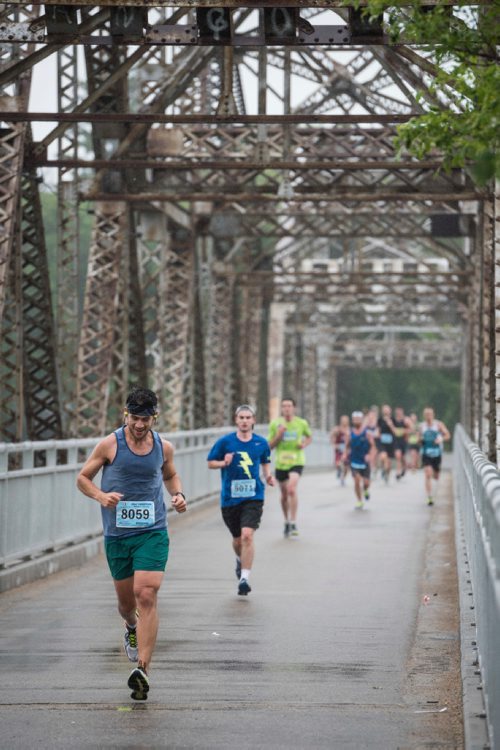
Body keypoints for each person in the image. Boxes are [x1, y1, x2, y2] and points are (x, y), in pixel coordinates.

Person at [76, 386, 187, 701]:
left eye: (145, 418)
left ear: (155, 417)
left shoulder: (163, 447)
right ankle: (130, 628)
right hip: (117, 535)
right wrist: (100, 495)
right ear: (126, 415)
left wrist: (178, 494)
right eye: (134, 418)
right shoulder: (110, 444)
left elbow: (170, 474)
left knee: (146, 594)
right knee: (127, 605)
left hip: (152, 531)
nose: (139, 425)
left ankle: (143, 670)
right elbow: (83, 477)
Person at [207, 404, 274, 596]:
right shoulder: (225, 442)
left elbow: (265, 462)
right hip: (230, 499)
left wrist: (268, 476)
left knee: (247, 535)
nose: (245, 421)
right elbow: (210, 462)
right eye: (241, 418)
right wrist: (223, 462)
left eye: (248, 417)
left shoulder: (261, 443)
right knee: (237, 540)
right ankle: (240, 560)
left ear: (253, 420)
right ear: (236, 420)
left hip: (254, 496)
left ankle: (244, 578)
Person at [268, 397, 312, 538]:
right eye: (284, 406)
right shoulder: (275, 424)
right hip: (281, 462)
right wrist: (279, 436)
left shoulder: (301, 423)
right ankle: (286, 520)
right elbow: (270, 446)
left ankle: (293, 522)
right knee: (284, 495)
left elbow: (309, 437)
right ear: (281, 409)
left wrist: (303, 444)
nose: (287, 408)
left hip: (297, 460)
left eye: (289, 406)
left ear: (294, 408)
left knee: (291, 489)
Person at [419, 407, 451, 505]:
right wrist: (420, 440)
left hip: (437, 453)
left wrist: (440, 439)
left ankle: (434, 472)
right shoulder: (422, 426)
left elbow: (448, 435)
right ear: (424, 416)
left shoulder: (438, 425)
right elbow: (419, 439)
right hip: (426, 453)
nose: (428, 416)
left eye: (430, 414)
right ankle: (430, 497)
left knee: (436, 476)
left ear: (433, 415)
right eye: (426, 414)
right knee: (428, 474)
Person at [344, 411, 375, 510]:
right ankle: (359, 500)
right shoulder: (350, 433)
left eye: (358, 419)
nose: (356, 421)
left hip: (364, 461)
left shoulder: (367, 433)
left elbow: (373, 447)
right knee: (357, 480)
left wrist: (370, 455)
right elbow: (347, 446)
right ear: (352, 421)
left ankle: (365, 490)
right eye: (355, 419)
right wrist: (345, 454)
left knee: (366, 483)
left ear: (362, 420)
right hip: (354, 460)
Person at [377, 404, 396, 484]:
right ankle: (383, 468)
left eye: (387, 409)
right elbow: (378, 429)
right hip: (382, 442)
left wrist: (390, 424)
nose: (385, 411)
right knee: (383, 456)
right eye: (384, 409)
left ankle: (387, 473)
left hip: (390, 443)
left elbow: (395, 431)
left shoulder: (393, 419)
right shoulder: (380, 420)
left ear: (390, 411)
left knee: (388, 463)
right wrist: (378, 434)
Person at [330, 415, 350, 485]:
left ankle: (343, 478)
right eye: (343, 420)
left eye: (346, 420)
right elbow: (332, 438)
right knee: (338, 463)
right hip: (339, 449)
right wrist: (334, 445)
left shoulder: (349, 430)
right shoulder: (337, 429)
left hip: (346, 450)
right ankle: (338, 470)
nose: (344, 422)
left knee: (346, 467)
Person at [393, 406, 411, 480]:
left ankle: (404, 467)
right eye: (397, 412)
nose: (398, 413)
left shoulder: (406, 420)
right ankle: (398, 472)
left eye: (400, 412)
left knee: (402, 457)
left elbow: (411, 429)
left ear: (402, 412)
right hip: (395, 441)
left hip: (403, 441)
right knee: (398, 456)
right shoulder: (393, 420)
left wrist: (404, 431)